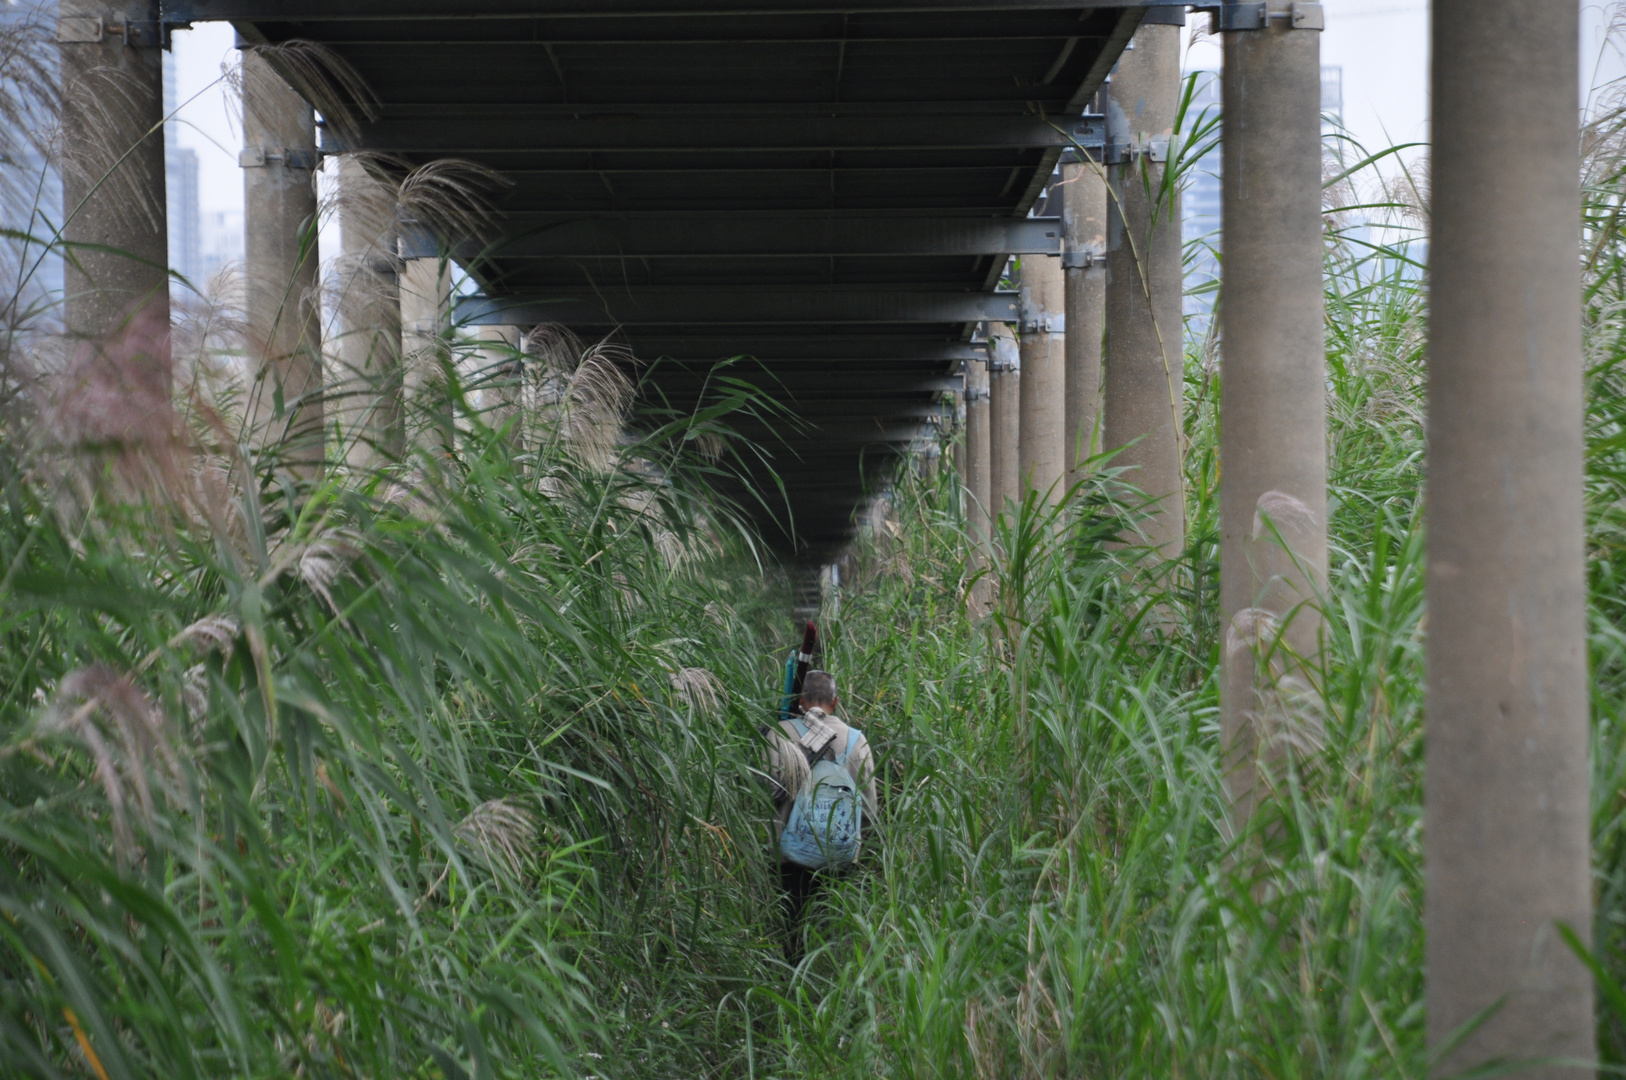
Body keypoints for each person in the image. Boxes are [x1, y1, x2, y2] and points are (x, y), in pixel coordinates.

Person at [764, 669, 877, 962]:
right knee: (828, 936)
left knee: (789, 931)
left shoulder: (780, 734)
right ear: (835, 701)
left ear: (801, 701)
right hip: (838, 859)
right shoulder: (857, 741)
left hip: (790, 859)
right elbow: (869, 811)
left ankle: (788, 986)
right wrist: (854, 845)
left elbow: (765, 793)